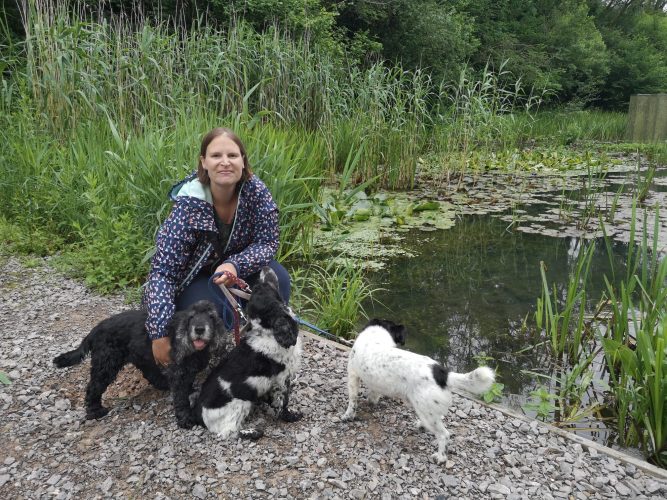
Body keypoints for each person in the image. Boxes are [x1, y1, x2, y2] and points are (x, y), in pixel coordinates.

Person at [143, 127, 291, 367]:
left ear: (243, 161)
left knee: (279, 281)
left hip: (238, 269)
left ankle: (261, 338)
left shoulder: (257, 192)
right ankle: (218, 352)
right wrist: (158, 333)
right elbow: (163, 272)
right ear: (204, 162)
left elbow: (267, 242)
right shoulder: (188, 204)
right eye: (216, 156)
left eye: (232, 156)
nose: (225, 162)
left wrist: (235, 264)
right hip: (198, 278)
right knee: (210, 313)